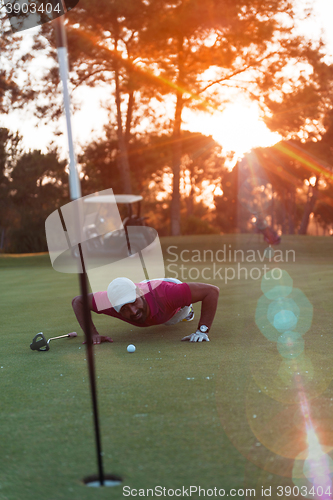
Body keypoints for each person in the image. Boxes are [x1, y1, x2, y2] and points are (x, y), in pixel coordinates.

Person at [72, 277, 219, 344]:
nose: (133, 311)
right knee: (161, 319)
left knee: (171, 320)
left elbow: (211, 291)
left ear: (139, 294)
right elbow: (78, 301)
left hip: (168, 291)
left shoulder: (168, 293)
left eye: (133, 302)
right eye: (124, 309)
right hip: (145, 290)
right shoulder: (108, 303)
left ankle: (188, 309)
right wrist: (92, 334)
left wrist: (202, 330)